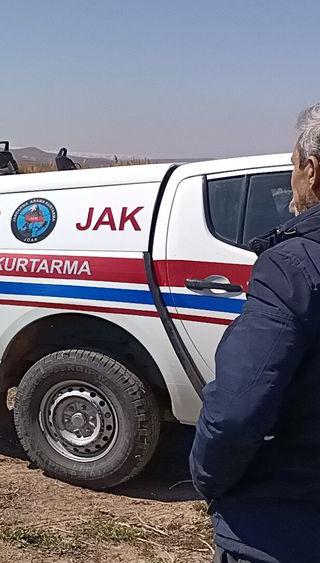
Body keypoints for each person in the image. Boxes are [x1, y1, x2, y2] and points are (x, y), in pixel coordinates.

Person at [189, 102, 320, 563]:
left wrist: (207, 479)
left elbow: (235, 414)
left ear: (312, 171)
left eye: (292, 168)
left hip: (285, 530)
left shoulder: (293, 269)